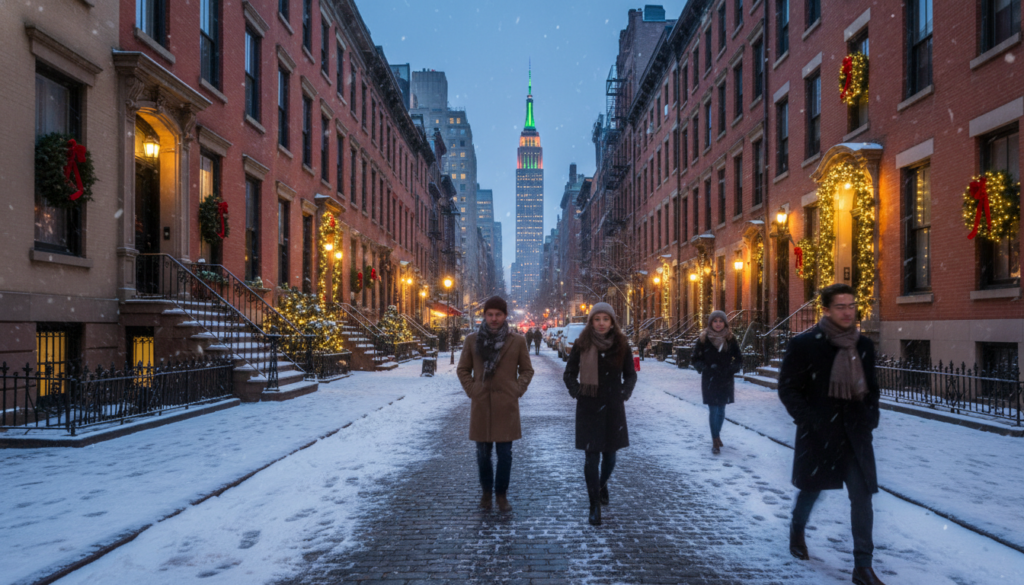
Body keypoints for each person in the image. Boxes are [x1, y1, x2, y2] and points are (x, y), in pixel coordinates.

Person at [778, 283, 884, 585]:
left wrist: (870, 419)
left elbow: (872, 389)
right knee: (812, 489)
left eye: (851, 305)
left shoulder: (862, 345)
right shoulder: (805, 344)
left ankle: (863, 566)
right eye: (841, 306)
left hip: (855, 434)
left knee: (862, 497)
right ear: (825, 310)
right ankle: (797, 528)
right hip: (820, 433)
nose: (848, 311)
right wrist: (811, 421)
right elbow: (788, 388)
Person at [457, 296, 534, 513]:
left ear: (505, 316)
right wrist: (473, 390)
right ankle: (485, 493)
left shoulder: (517, 341)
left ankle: (501, 494)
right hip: (481, 405)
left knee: (505, 455)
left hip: (505, 406)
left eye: (498, 314)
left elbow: (527, 370)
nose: (494, 318)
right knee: (482, 454)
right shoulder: (472, 340)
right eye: (490, 314)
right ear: (484, 316)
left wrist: (517, 389)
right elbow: (463, 369)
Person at [563, 303, 637, 526]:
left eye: (606, 318)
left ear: (612, 321)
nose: (602, 323)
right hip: (589, 406)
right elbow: (569, 374)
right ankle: (594, 504)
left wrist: (623, 393)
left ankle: (602, 484)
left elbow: (630, 375)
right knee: (591, 457)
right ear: (591, 321)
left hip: (613, 406)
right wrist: (578, 392)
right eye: (597, 319)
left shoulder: (622, 344)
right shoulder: (581, 344)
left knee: (611, 457)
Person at [690, 310, 742, 455]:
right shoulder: (703, 339)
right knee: (714, 409)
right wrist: (705, 368)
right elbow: (695, 359)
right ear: (711, 323)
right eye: (715, 321)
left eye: (720, 321)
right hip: (710, 378)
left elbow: (738, 358)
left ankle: (717, 434)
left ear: (724, 323)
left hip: (725, 378)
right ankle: (715, 439)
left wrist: (731, 369)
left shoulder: (730, 339)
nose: (718, 324)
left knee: (722, 409)